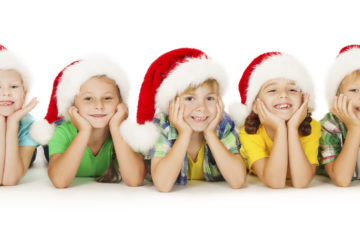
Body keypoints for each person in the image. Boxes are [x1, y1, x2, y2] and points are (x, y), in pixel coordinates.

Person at [230, 52, 320, 188]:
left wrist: (293, 128)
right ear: (255, 105)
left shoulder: (312, 127)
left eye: (292, 90)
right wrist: (280, 128)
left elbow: (301, 182)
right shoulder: (250, 133)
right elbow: (276, 182)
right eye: (272, 90)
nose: (283, 95)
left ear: (303, 99)